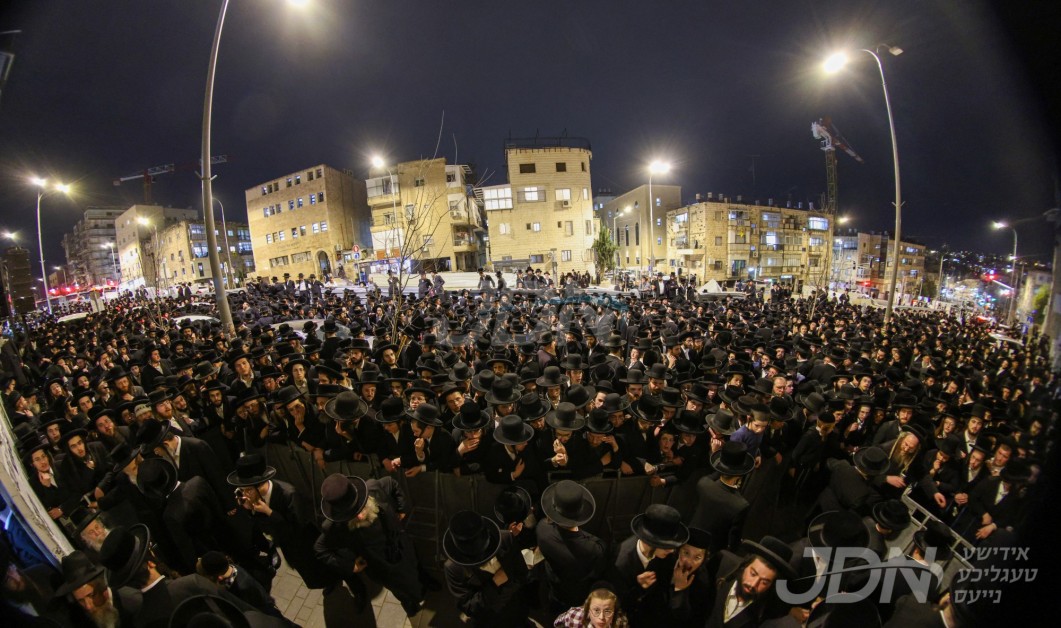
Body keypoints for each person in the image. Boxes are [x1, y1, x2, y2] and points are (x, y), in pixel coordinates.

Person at [315, 473, 424, 617]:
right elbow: (320, 549)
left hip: (401, 543)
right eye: (351, 514)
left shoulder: (373, 486)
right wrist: (350, 567)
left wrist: (402, 509)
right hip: (381, 564)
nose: (360, 516)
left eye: (359, 507)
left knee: (415, 566)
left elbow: (392, 483)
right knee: (399, 588)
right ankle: (410, 604)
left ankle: (423, 584)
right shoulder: (332, 527)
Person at [537, 480, 608, 612]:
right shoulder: (593, 548)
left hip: (554, 586)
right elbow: (600, 554)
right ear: (581, 513)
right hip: (577, 594)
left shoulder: (542, 528)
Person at [554, 585, 630, 628]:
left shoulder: (620, 623)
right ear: (588, 610)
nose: (601, 617)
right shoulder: (574, 616)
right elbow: (558, 623)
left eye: (607, 611)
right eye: (596, 610)